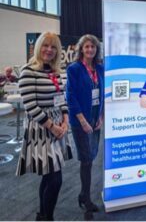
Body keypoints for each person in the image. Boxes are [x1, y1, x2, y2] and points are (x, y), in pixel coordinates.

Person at [16, 32, 73, 220]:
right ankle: (48, 217)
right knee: (55, 178)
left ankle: (42, 215)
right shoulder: (28, 71)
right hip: (41, 130)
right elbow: (30, 106)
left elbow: (62, 99)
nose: (49, 50)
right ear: (38, 47)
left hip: (58, 127)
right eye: (45, 45)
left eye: (54, 46)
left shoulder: (57, 71)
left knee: (49, 175)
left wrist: (65, 120)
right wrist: (52, 126)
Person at [66, 34, 103, 220]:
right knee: (86, 159)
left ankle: (83, 194)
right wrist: (82, 121)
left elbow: (104, 94)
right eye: (87, 47)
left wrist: (101, 116)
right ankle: (86, 198)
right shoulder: (74, 69)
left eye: (93, 47)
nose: (90, 50)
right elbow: (70, 97)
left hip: (95, 118)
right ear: (81, 49)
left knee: (91, 155)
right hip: (80, 120)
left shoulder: (100, 69)